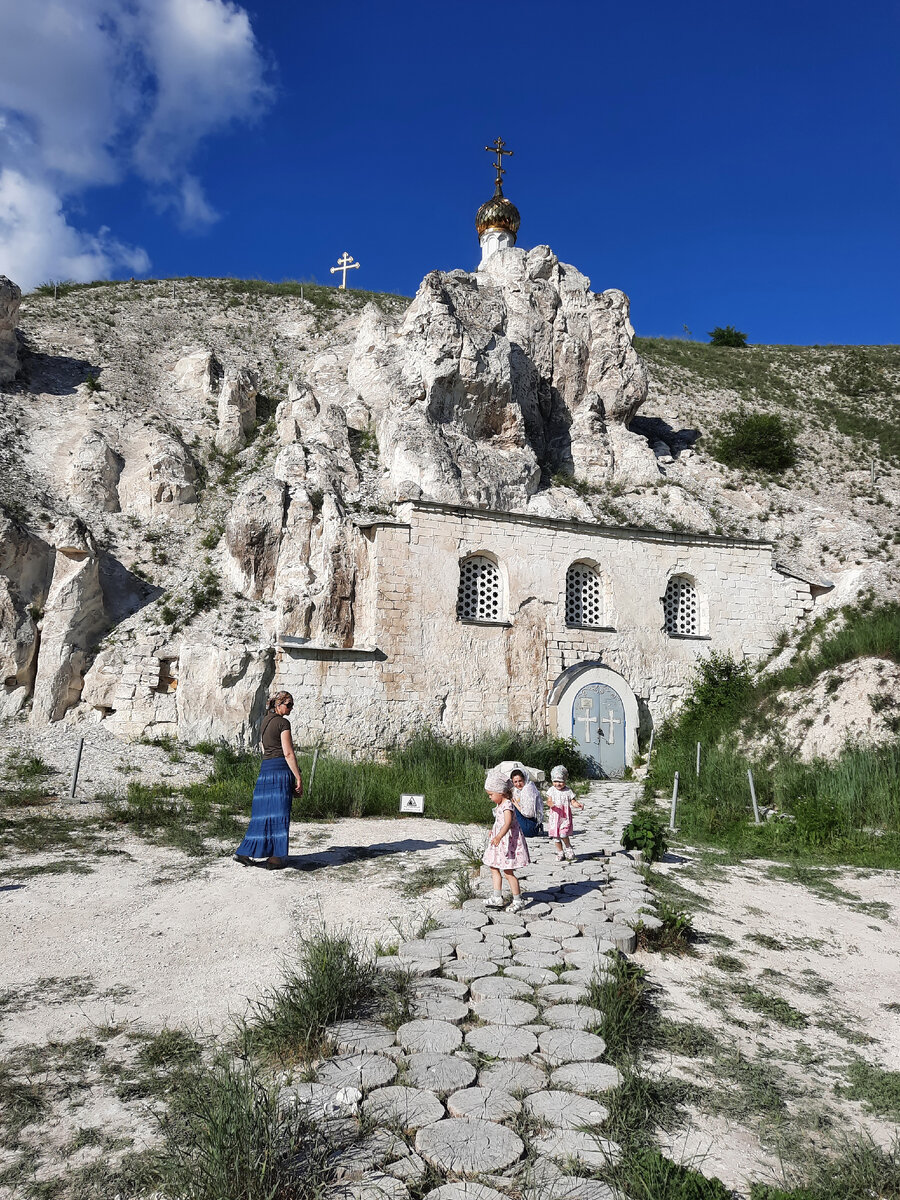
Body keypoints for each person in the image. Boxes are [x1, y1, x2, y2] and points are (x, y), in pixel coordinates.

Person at [234, 691, 303, 869]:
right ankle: (274, 858)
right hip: (279, 769)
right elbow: (288, 753)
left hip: (266, 769)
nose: (291, 708)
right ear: (278, 704)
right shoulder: (283, 723)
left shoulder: (265, 721)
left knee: (262, 814)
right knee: (279, 813)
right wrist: (298, 777)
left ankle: (244, 851)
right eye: (288, 705)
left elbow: (266, 748)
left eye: (292, 705)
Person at [482, 769, 529, 912]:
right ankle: (497, 896)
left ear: (500, 793)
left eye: (491, 794)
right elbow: (499, 822)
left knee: (508, 872)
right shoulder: (499, 805)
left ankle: (518, 900)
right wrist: (493, 831)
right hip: (499, 842)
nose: (489, 797)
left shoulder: (507, 805)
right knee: (493, 866)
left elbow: (507, 823)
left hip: (507, 842)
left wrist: (499, 836)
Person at [545, 765, 584, 862]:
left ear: (565, 781)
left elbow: (573, 801)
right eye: (555, 781)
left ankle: (568, 848)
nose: (558, 784)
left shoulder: (568, 791)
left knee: (563, 834)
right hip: (555, 817)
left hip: (564, 817)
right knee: (556, 837)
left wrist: (577, 805)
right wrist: (551, 804)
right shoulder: (551, 790)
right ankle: (560, 852)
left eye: (560, 781)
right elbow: (548, 801)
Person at [510, 768, 543, 838]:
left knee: (510, 806)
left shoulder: (528, 789)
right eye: (515, 782)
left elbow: (529, 813)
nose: (518, 784)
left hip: (530, 827)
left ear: (524, 779)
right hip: (528, 824)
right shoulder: (517, 790)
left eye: (520, 781)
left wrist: (515, 804)